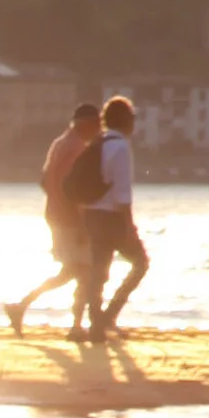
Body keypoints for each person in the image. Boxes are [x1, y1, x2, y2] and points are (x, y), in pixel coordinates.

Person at [7, 101, 103, 339]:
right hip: (69, 218)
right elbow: (73, 189)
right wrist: (79, 222)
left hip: (55, 215)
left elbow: (45, 181)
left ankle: (23, 306)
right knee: (84, 271)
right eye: (97, 124)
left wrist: (57, 205)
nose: (99, 129)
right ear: (86, 124)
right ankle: (76, 326)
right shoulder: (77, 148)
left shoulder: (60, 143)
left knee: (72, 271)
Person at [75, 94, 146, 340]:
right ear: (127, 121)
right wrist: (130, 226)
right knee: (140, 263)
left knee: (99, 271)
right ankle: (108, 317)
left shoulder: (99, 142)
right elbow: (122, 194)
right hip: (112, 217)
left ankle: (96, 324)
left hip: (92, 215)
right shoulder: (121, 147)